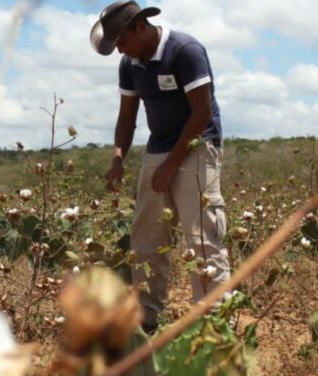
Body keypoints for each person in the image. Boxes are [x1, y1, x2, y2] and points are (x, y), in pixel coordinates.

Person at [91, 0, 231, 331]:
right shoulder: (130, 63)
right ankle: (146, 318)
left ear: (140, 26)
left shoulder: (185, 51)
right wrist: (117, 157)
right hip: (159, 146)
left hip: (198, 144)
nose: (121, 51)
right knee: (146, 235)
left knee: (201, 237)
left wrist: (170, 166)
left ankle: (216, 326)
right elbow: (127, 118)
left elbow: (202, 114)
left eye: (122, 42)